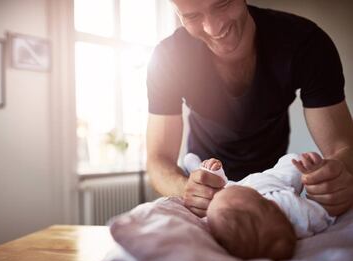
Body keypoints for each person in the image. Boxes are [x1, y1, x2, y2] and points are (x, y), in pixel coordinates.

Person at [146, 0, 353, 218]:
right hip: (203, 187)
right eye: (192, 17)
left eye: (222, 4)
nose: (213, 29)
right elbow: (159, 160)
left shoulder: (307, 43)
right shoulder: (167, 58)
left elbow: (343, 146)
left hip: (273, 185)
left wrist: (338, 175)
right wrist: (187, 189)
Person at [202, 152, 335, 261]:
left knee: (219, 185)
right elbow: (323, 212)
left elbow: (224, 186)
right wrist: (313, 175)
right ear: (272, 204)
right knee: (293, 161)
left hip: (246, 183)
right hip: (273, 181)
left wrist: (216, 172)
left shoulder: (231, 200)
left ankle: (201, 168)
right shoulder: (293, 210)